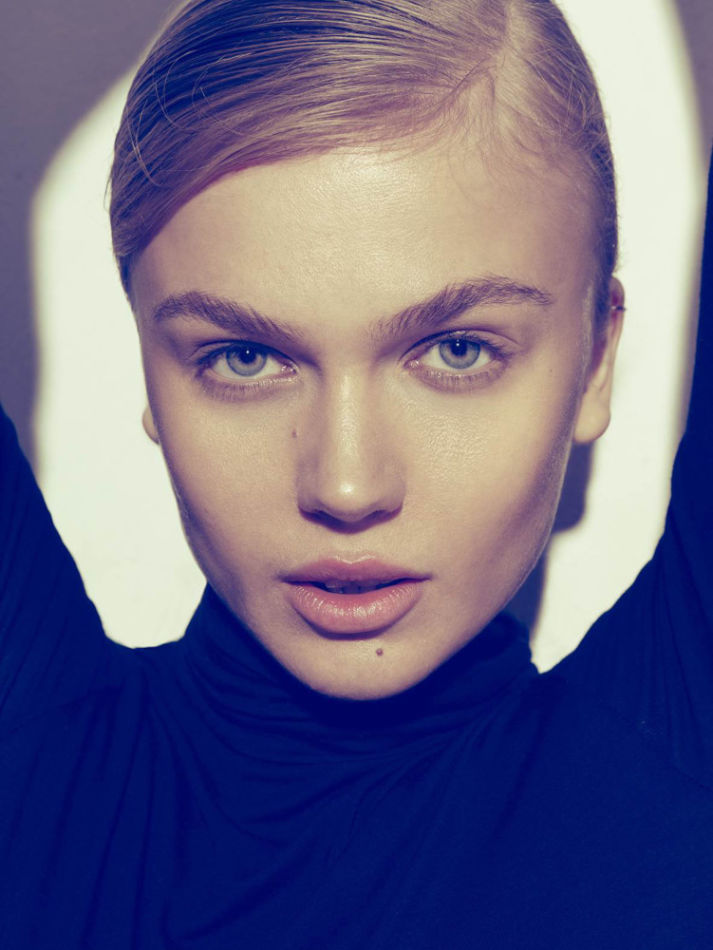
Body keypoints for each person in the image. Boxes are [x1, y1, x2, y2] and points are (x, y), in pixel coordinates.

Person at [1, 0, 711, 947]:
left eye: (457, 350)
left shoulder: (674, 755)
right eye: (244, 357)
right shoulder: (26, 755)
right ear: (147, 365)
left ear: (594, 361)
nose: (345, 487)